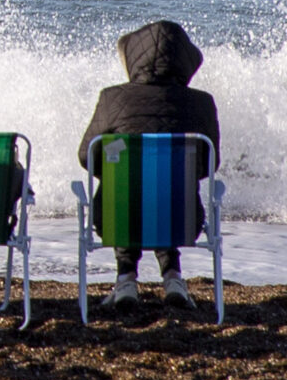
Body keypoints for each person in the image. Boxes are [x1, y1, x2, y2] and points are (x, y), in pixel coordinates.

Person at [76, 19, 221, 312]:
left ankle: (126, 279)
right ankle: (173, 278)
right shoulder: (202, 103)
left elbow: (86, 157)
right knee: (163, 187)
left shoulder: (112, 98)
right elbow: (209, 164)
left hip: (116, 219)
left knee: (127, 188)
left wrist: (123, 172)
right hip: (182, 219)